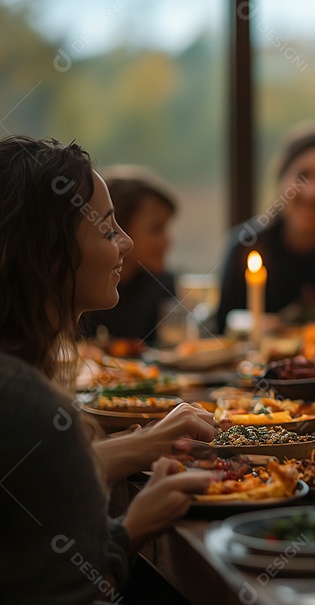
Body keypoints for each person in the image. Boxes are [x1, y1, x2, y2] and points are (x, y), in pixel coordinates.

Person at [0, 136, 217, 602]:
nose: (128, 242)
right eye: (107, 229)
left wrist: (140, 444)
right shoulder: (28, 405)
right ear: (50, 255)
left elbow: (30, 482)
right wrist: (135, 528)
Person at [215, 126, 315, 332]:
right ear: (282, 180)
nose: (313, 192)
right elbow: (221, 327)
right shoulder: (245, 244)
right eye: (302, 176)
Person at [80, 165, 179, 345]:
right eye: (156, 229)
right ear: (116, 227)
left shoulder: (161, 284)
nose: (168, 241)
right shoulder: (85, 287)